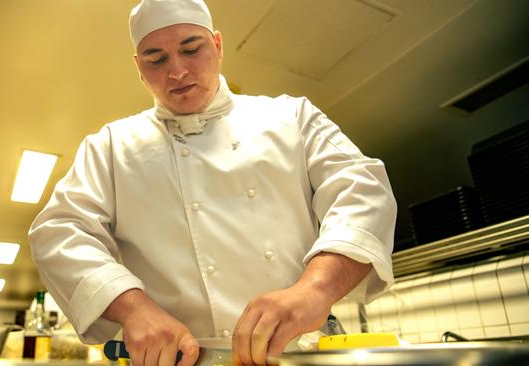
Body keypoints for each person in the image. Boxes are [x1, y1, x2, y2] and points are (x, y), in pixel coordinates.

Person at [28, 0, 397, 365]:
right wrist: (133, 308)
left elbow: (363, 190)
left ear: (217, 46)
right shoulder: (111, 146)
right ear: (139, 68)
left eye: (191, 49)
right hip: (181, 360)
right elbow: (59, 230)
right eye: (156, 59)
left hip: (298, 354)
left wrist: (315, 290)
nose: (177, 71)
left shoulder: (290, 116)